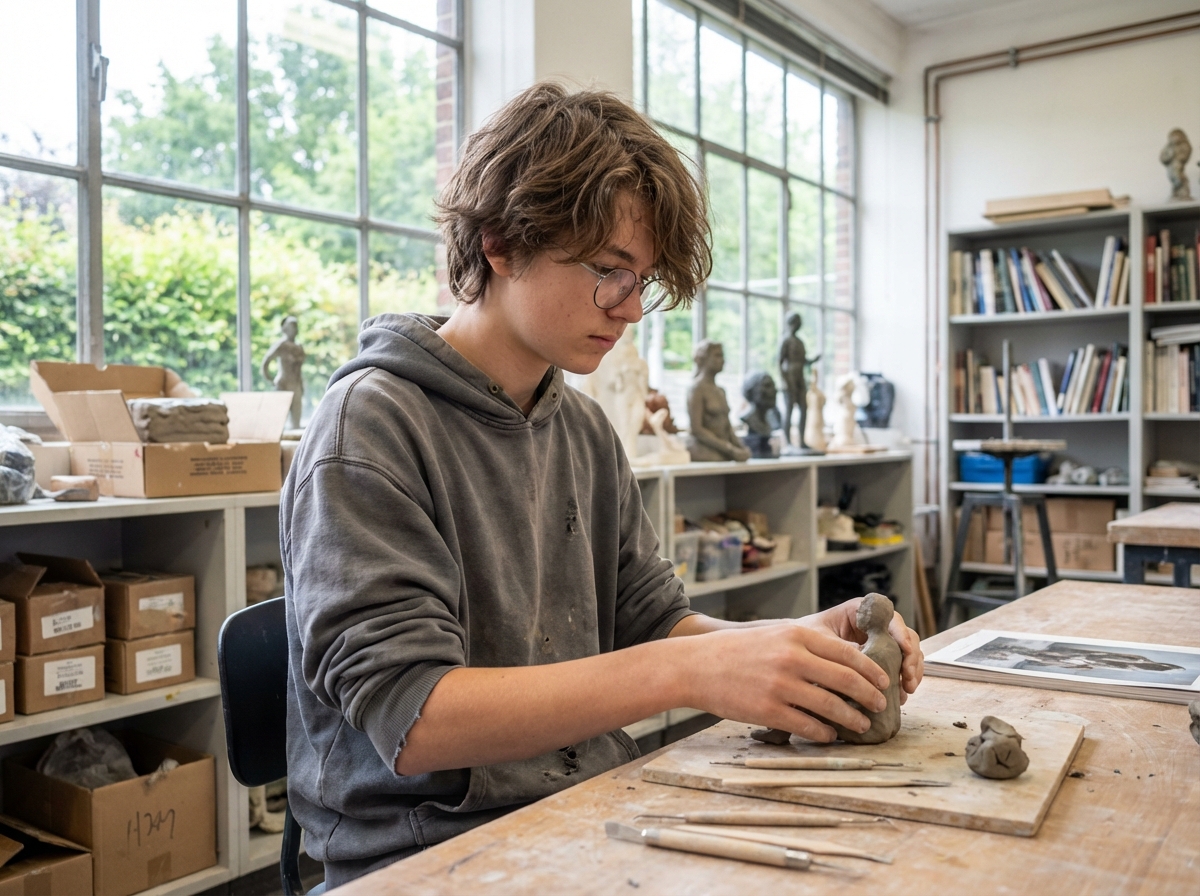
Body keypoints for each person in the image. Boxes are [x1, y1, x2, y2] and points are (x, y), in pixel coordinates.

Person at [282, 82, 924, 888]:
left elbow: (652, 621)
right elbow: (415, 719)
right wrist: (692, 673)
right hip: (421, 852)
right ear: (500, 243)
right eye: (610, 271)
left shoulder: (582, 429)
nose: (631, 310)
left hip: (587, 805)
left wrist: (791, 644)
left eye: (641, 280)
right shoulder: (370, 427)